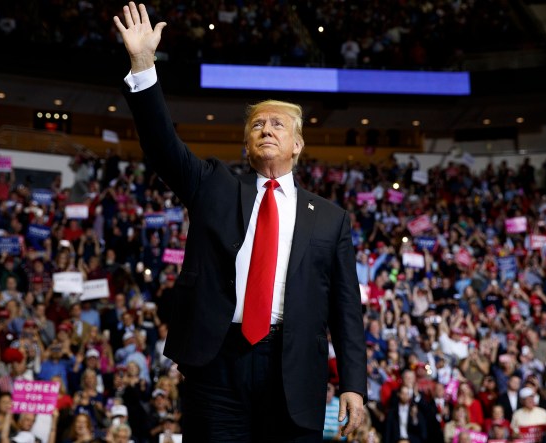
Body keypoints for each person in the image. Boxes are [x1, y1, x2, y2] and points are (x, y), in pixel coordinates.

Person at [113, 3, 366, 441]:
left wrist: (353, 386)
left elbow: (346, 308)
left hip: (293, 370)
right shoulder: (214, 185)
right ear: (246, 145)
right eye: (257, 125)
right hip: (217, 364)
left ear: (298, 145)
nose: (266, 129)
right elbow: (162, 147)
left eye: (278, 124)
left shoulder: (330, 218)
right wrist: (143, 65)